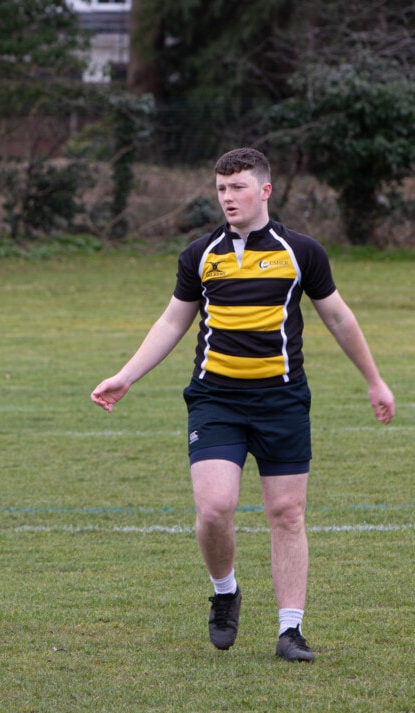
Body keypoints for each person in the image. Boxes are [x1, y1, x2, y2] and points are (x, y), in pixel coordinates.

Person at [90, 147, 394, 663]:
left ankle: (290, 630)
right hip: (215, 399)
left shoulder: (301, 252)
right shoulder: (200, 254)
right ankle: (225, 590)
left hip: (282, 399)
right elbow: (172, 322)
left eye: (237, 188)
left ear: (265, 190)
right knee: (214, 508)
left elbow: (338, 319)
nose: (227, 198)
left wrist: (374, 380)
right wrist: (126, 375)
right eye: (221, 189)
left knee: (286, 512)